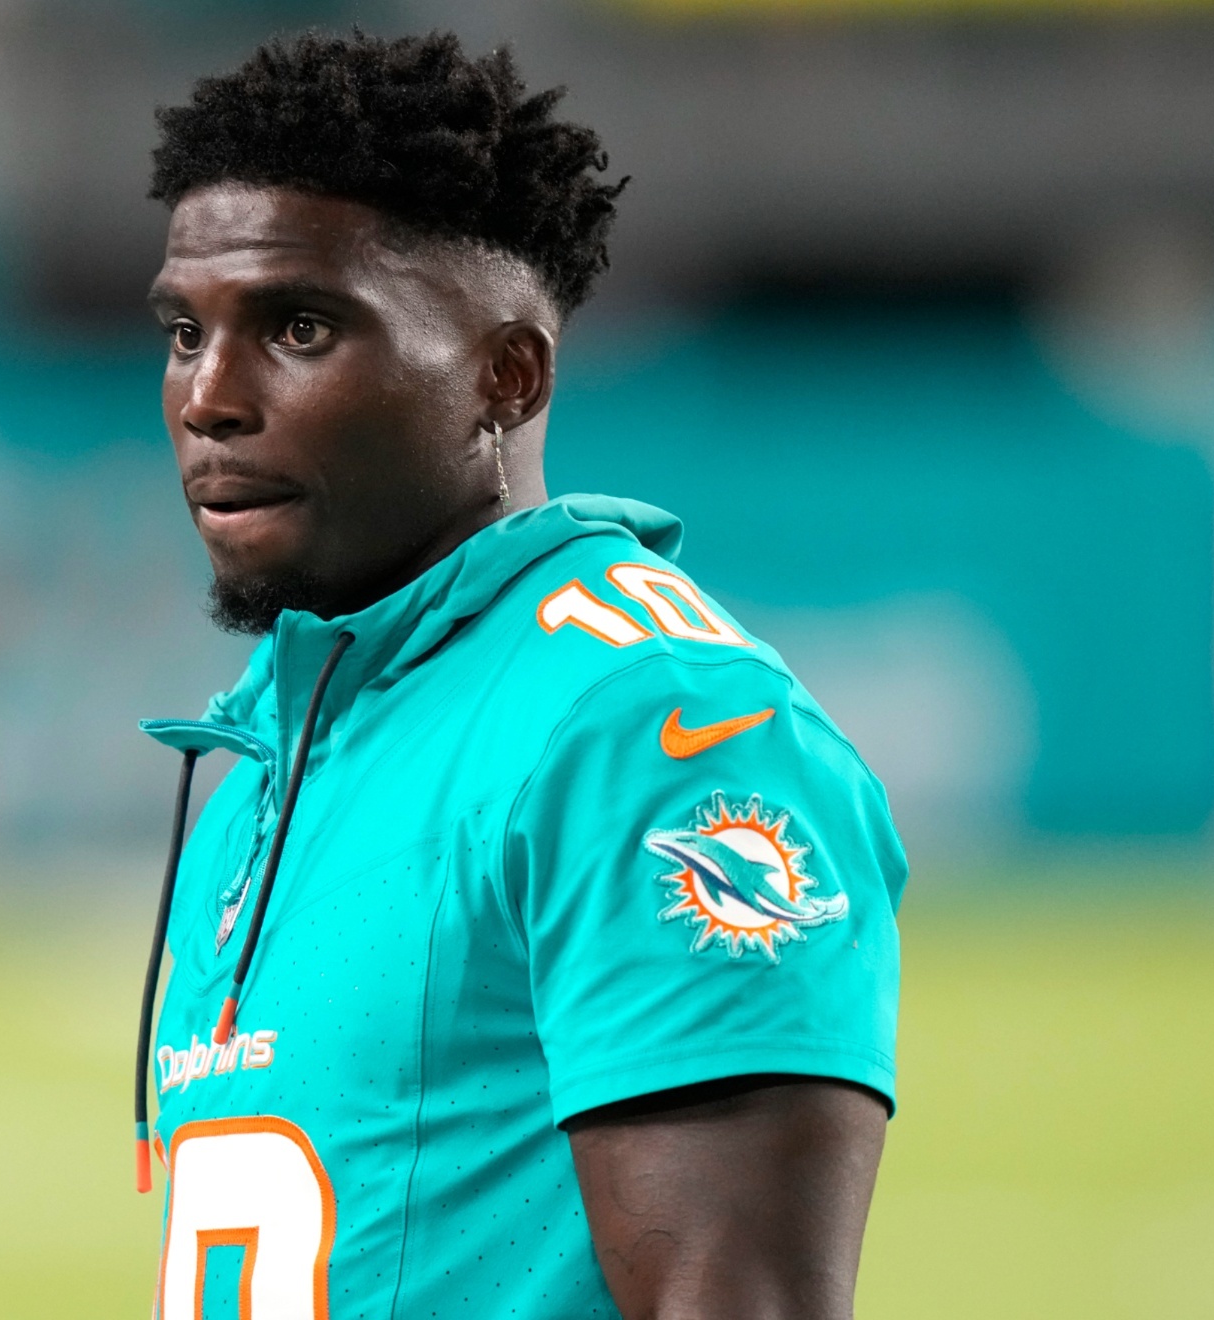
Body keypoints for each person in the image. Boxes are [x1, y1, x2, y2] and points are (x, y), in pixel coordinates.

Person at [131, 31, 903, 1320]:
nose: (210, 394)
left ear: (507, 375)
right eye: (182, 332)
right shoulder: (279, 745)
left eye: (298, 326)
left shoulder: (652, 726)